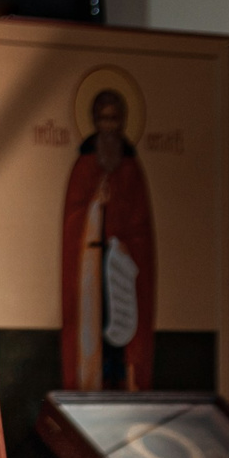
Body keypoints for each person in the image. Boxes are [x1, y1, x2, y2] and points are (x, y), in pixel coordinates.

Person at [60, 86, 156, 389]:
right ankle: (92, 379)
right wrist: (93, 208)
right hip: (90, 265)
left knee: (123, 329)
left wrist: (128, 245)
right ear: (94, 122)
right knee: (93, 322)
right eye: (103, 119)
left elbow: (141, 224)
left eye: (114, 120)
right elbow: (73, 219)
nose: (109, 127)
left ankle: (124, 379)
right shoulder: (84, 165)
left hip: (123, 267)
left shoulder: (131, 168)